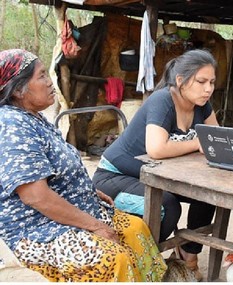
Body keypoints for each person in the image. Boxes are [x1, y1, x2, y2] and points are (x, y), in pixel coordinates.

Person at [0, 49, 167, 281]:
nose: (50, 82)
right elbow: (35, 197)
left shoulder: (33, 117)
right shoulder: (12, 125)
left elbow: (56, 172)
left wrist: (88, 190)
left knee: (135, 229)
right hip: (39, 228)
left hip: (70, 208)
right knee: (111, 257)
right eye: (41, 76)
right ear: (18, 90)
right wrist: (96, 226)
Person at [92, 49, 219, 281]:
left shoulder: (203, 104)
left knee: (209, 195)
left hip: (157, 177)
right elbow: (157, 149)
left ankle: (187, 255)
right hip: (113, 179)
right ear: (180, 81)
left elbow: (213, 140)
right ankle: (146, 264)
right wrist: (196, 142)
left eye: (211, 82)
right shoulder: (163, 100)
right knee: (167, 206)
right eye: (201, 81)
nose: (208, 88)